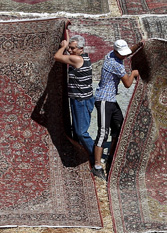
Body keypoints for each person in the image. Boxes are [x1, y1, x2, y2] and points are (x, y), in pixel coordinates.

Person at [92, 39, 139, 180]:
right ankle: (97, 166)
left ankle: (111, 156)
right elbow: (128, 84)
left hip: (111, 100)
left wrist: (140, 44)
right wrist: (134, 73)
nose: (125, 56)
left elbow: (128, 51)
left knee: (119, 127)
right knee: (102, 133)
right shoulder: (115, 65)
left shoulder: (111, 55)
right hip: (104, 100)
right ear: (117, 52)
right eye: (123, 54)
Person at [54, 33, 95, 162]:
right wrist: (68, 47)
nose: (70, 50)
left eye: (72, 48)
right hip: (83, 99)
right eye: (69, 48)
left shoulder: (77, 60)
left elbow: (57, 57)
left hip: (80, 101)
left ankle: (94, 156)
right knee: (77, 128)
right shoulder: (84, 57)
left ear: (81, 49)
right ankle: (81, 153)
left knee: (81, 132)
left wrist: (63, 47)